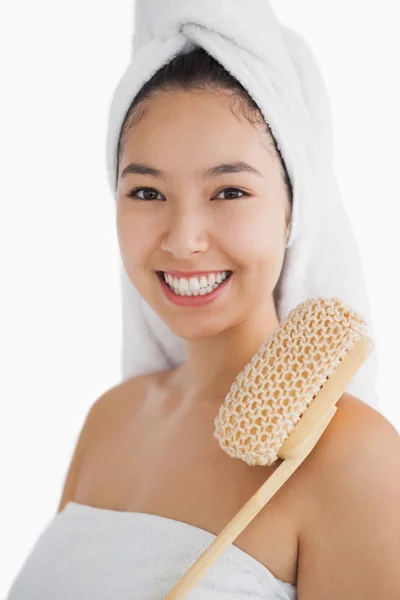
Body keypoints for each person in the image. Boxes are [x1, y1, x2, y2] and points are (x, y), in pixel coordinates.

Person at [6, 30, 400, 600]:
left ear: (294, 212)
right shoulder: (109, 421)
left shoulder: (352, 454)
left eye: (229, 191)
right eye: (146, 193)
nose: (184, 239)